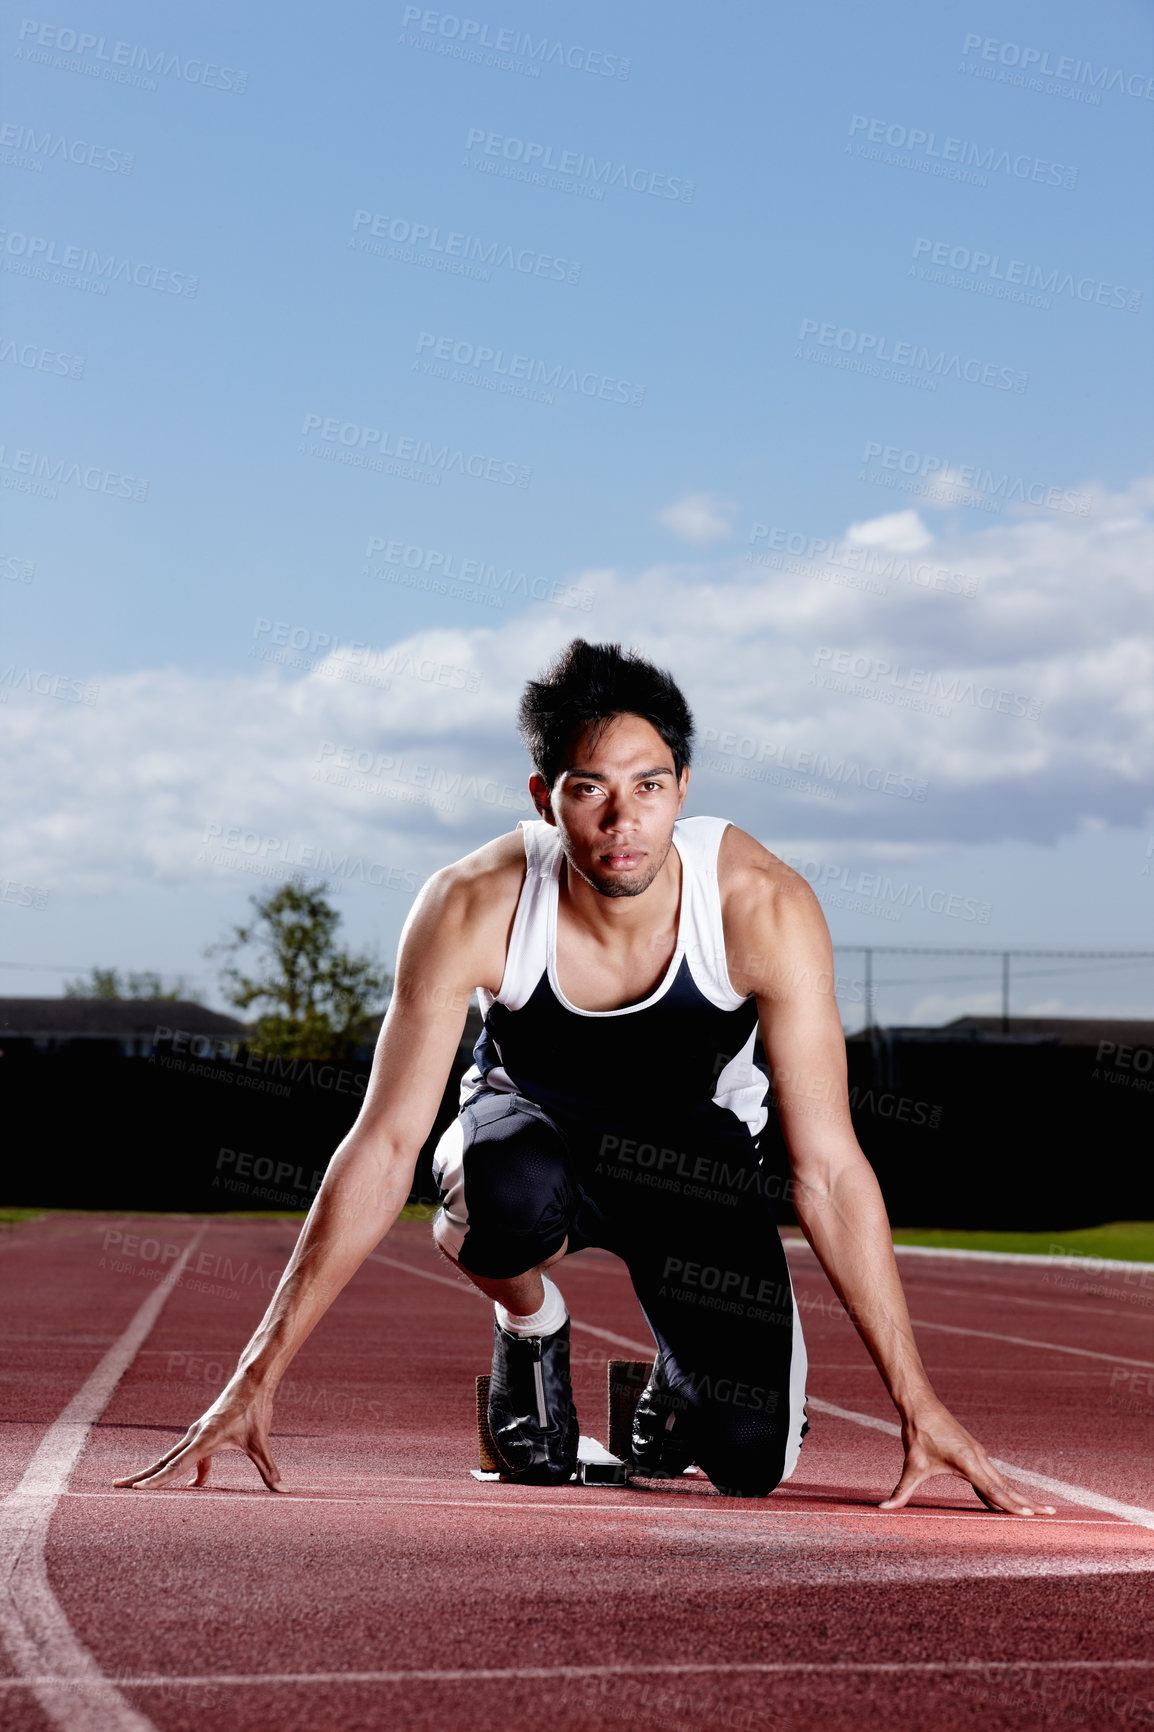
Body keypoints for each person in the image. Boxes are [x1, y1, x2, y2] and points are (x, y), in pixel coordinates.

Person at [117, 639, 1052, 1512]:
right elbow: (387, 1141)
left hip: (695, 1167)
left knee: (749, 1459)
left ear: (685, 787)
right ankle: (532, 1327)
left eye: (649, 785)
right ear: (544, 797)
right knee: (498, 1183)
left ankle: (673, 1396)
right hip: (536, 1143)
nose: (623, 819)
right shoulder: (472, 903)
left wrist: (916, 1400)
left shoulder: (763, 907)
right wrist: (255, 1378)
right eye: (589, 788)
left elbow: (832, 1171)